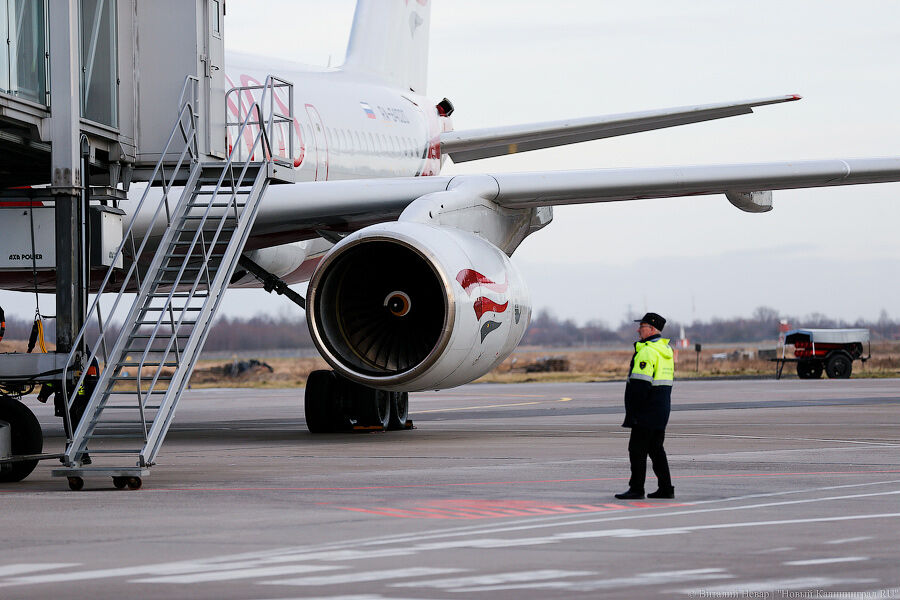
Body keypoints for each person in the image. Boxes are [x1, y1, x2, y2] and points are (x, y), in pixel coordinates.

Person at [615, 312, 675, 500]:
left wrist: (634, 411)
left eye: (641, 326)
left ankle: (636, 488)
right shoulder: (666, 351)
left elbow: (640, 385)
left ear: (651, 329)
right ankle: (666, 488)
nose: (638, 330)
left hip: (646, 410)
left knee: (637, 449)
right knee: (656, 449)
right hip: (661, 408)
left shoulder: (648, 351)